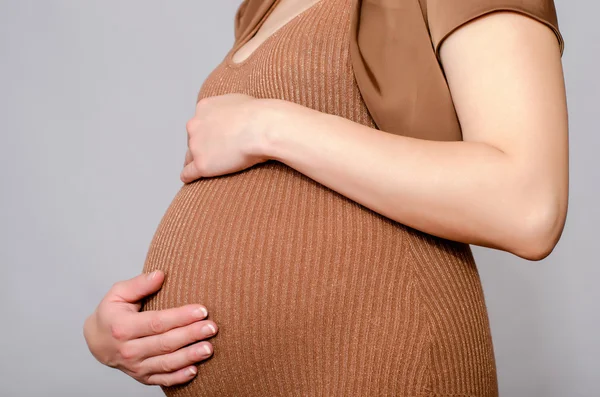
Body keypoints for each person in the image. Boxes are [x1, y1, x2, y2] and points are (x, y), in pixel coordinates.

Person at [83, 0, 569, 395]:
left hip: (380, 363)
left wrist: (266, 126)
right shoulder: (259, 7)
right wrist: (121, 332)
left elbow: (527, 204)